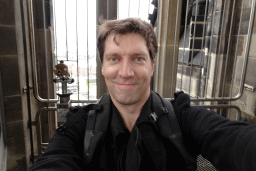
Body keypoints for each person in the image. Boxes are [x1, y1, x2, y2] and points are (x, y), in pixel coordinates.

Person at [28, 18, 256, 171]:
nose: (126, 73)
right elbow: (54, 160)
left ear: (152, 65)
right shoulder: (79, 126)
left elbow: (233, 140)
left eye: (138, 58)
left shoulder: (182, 118)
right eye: (114, 58)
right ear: (103, 67)